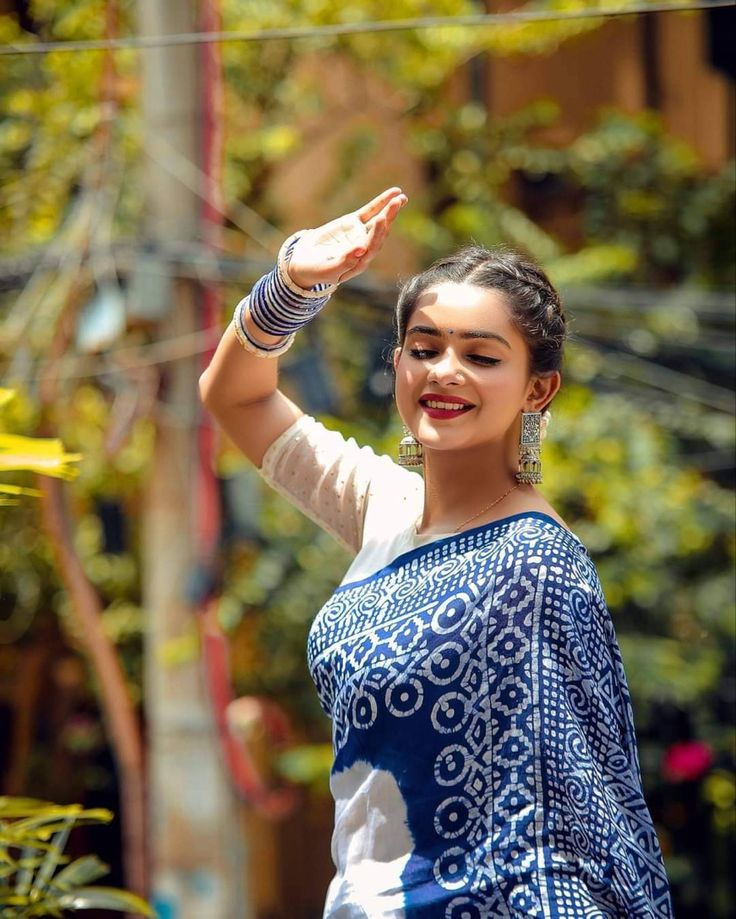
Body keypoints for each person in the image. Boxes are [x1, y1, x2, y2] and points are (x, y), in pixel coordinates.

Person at [199, 188, 673, 918]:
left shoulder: (534, 563)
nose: (444, 370)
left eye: (480, 355)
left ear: (537, 389)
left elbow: (566, 820)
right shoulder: (382, 506)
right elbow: (234, 394)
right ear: (397, 364)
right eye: (424, 349)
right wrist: (295, 283)